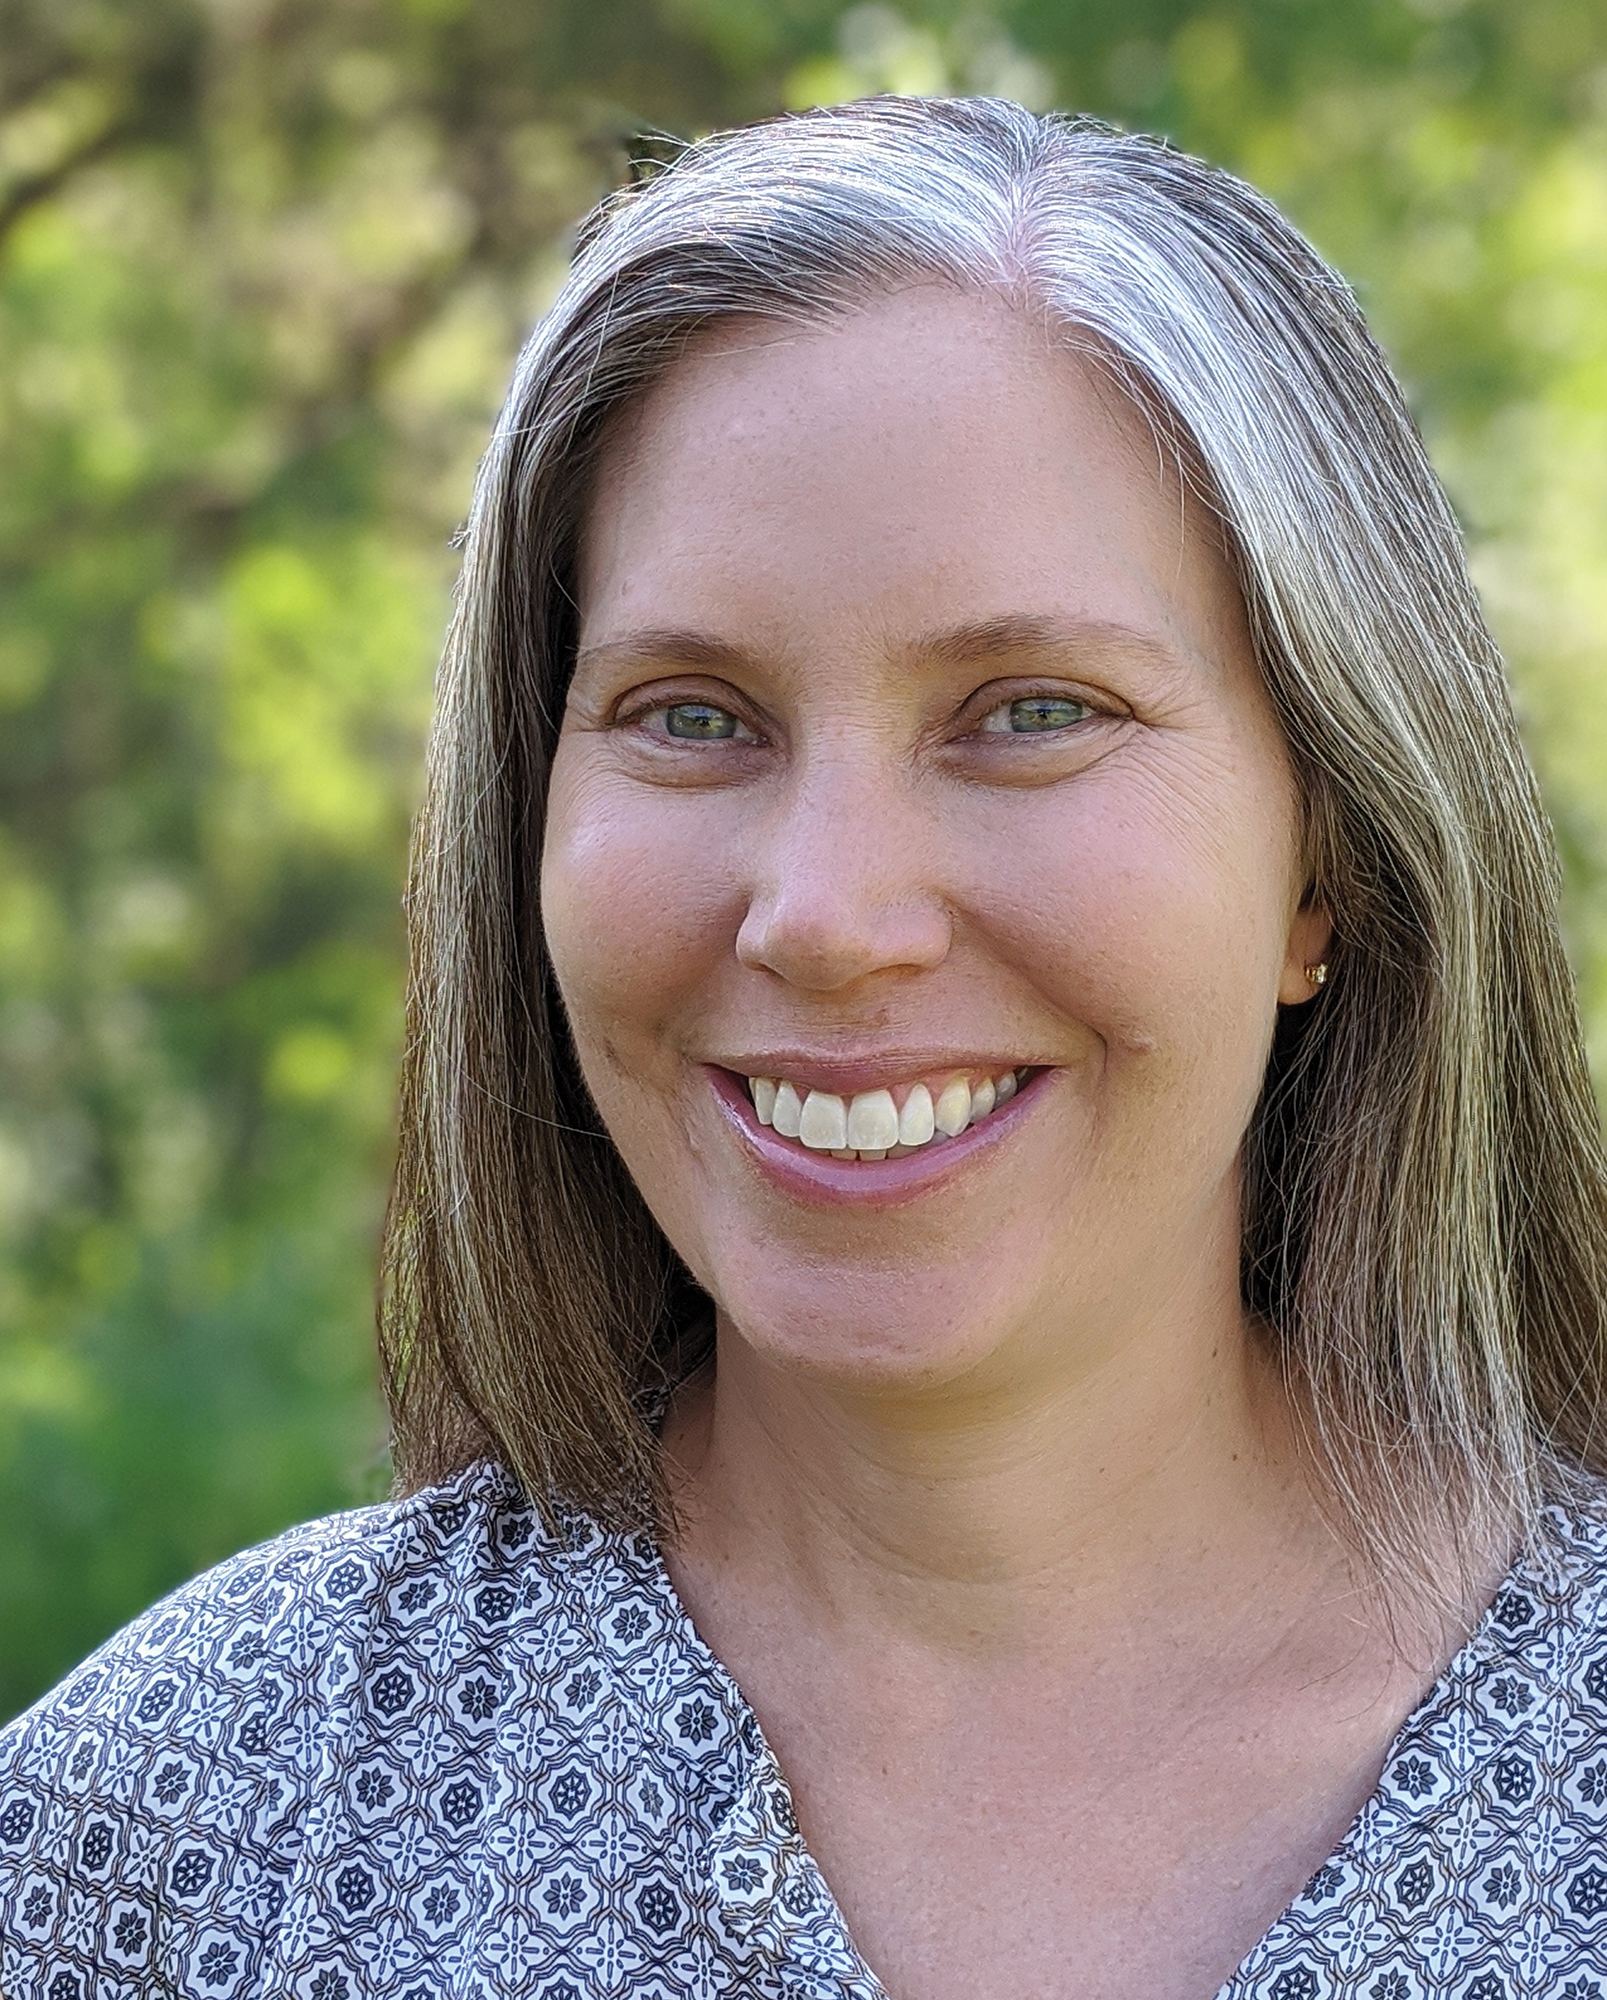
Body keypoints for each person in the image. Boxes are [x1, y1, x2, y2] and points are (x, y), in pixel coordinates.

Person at [5, 93, 1607, 2000]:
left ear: (1323, 856)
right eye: (690, 716)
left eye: (1030, 711)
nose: (828, 915)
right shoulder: (180, 1834)